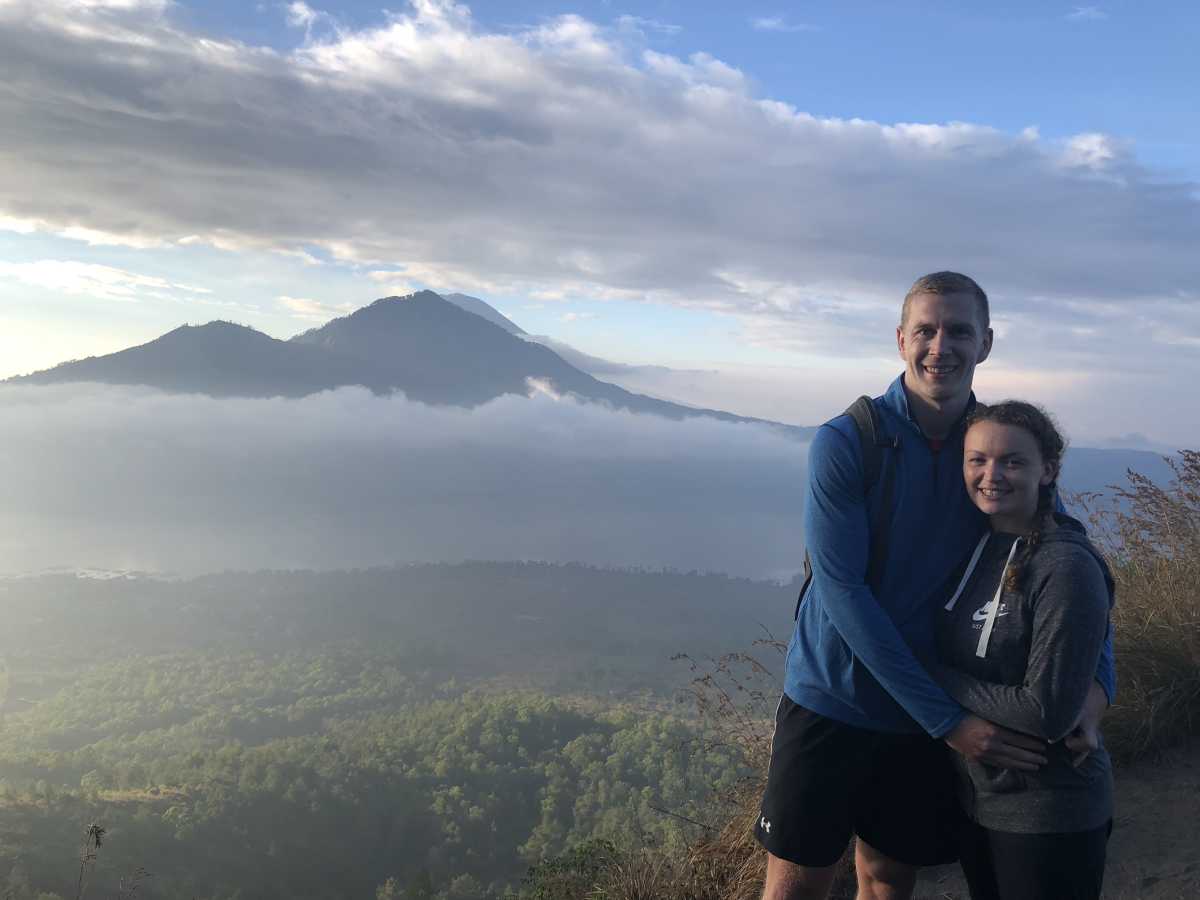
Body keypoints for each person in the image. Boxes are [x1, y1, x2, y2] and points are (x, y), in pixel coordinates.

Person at [755, 272, 1115, 900]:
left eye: (959, 331)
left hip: (919, 711)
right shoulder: (849, 442)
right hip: (835, 697)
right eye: (925, 330)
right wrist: (947, 719)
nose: (940, 346)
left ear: (986, 343)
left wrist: (1096, 688)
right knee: (797, 883)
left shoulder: (989, 447)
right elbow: (841, 590)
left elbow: (1063, 549)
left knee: (891, 876)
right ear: (901, 340)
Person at [932, 401, 1113, 900]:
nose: (992, 475)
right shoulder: (973, 543)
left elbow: (1047, 712)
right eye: (977, 460)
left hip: (1050, 812)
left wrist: (933, 678)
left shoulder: (1066, 567)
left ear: (1048, 469)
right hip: (979, 800)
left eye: (1012, 461)